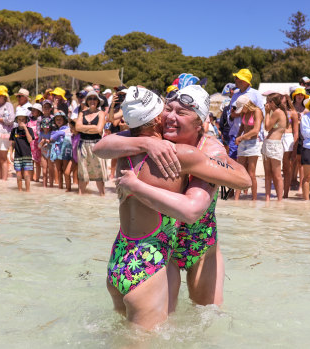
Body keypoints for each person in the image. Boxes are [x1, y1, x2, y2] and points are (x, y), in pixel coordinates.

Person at [95, 86, 250, 329]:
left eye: (183, 112)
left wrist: (136, 186)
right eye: (169, 109)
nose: (170, 116)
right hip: (162, 249)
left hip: (197, 244)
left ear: (200, 123)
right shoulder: (155, 141)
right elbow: (102, 146)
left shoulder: (208, 151)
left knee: (205, 321)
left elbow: (237, 183)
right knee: (162, 329)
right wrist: (146, 142)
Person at [227, 69, 265, 160]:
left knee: (248, 169)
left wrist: (259, 134)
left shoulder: (255, 94)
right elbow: (230, 113)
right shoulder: (235, 95)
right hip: (235, 134)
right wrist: (232, 116)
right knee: (233, 165)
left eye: (237, 78)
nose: (235, 80)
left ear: (243, 80)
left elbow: (261, 114)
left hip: (250, 137)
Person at [76, 90, 107, 195]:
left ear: (98, 101)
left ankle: (102, 196)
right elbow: (77, 127)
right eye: (90, 98)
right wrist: (93, 127)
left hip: (96, 145)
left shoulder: (101, 113)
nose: (92, 100)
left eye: (94, 98)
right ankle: (80, 197)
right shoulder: (82, 113)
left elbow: (99, 129)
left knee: (99, 173)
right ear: (87, 101)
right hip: (83, 145)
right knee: (83, 172)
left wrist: (84, 128)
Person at [234, 95, 263, 200]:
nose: (241, 111)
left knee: (251, 173)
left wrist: (240, 137)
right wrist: (238, 136)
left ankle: (254, 199)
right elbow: (242, 126)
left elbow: (256, 130)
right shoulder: (244, 112)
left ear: (246, 105)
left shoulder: (257, 111)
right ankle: (236, 199)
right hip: (242, 142)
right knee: (240, 172)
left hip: (253, 143)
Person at [263, 93, 287, 201]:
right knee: (268, 174)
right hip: (270, 143)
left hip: (274, 145)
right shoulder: (278, 112)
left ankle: (279, 199)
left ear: (272, 102)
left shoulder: (277, 112)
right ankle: (268, 198)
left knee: (276, 174)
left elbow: (267, 127)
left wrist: (267, 112)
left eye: (268, 101)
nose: (266, 104)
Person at [9, 112, 34, 192]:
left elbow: (30, 140)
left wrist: (25, 129)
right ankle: (19, 191)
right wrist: (10, 154)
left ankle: (28, 191)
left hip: (27, 155)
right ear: (17, 120)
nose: (21, 121)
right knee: (18, 175)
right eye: (19, 119)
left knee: (26, 174)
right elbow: (12, 143)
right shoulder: (14, 130)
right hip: (17, 155)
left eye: (23, 119)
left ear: (26, 120)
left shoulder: (29, 130)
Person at [289, 87, 307, 193]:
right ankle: (292, 181)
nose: (300, 96)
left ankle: (299, 184)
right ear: (294, 96)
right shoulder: (290, 108)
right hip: (289, 135)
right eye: (298, 95)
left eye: (302, 95)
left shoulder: (306, 109)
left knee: (299, 161)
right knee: (291, 160)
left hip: (302, 136)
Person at [50, 111, 73, 191]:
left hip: (65, 152)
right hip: (57, 152)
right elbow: (52, 139)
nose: (58, 121)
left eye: (60, 119)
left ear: (64, 120)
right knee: (59, 171)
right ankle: (60, 188)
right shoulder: (55, 130)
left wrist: (56, 134)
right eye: (57, 120)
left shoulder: (67, 129)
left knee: (65, 171)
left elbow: (52, 138)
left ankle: (68, 188)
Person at [27, 103, 43, 182]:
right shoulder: (29, 120)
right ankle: (31, 177)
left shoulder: (41, 120)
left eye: (34, 110)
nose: (32, 112)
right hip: (30, 143)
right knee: (31, 161)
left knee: (37, 161)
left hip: (37, 142)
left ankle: (37, 177)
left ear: (39, 112)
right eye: (32, 110)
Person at [38, 115, 53, 187]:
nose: (45, 129)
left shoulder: (51, 133)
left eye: (47, 127)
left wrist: (48, 141)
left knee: (50, 170)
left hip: (50, 153)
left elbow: (54, 143)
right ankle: (44, 186)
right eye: (44, 127)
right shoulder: (41, 133)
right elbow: (38, 146)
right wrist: (41, 142)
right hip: (43, 153)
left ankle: (51, 185)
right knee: (44, 171)